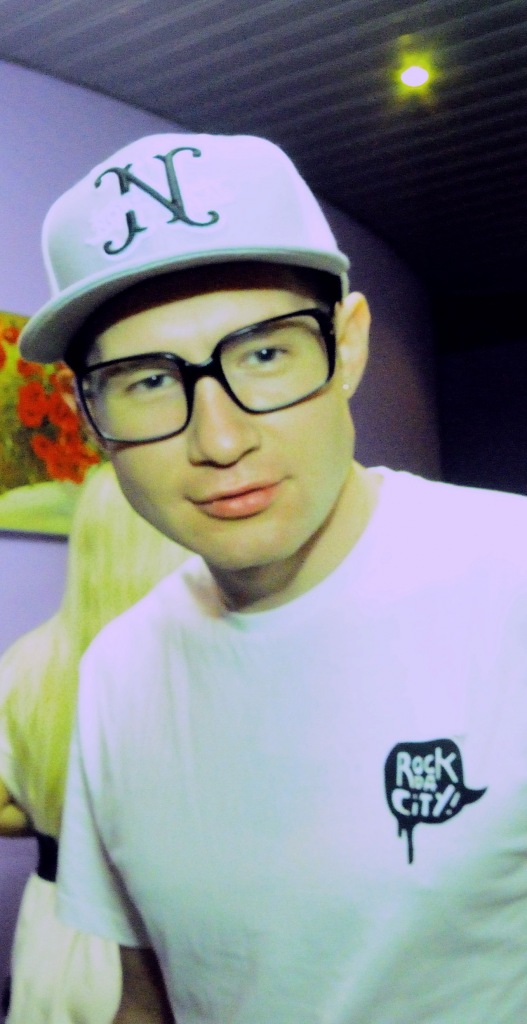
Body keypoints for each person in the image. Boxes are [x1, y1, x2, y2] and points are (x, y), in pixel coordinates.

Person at [19, 132, 527, 1023]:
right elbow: (146, 1000)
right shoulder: (118, 671)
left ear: (349, 346)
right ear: (88, 418)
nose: (219, 440)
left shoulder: (509, 575)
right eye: (146, 381)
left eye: (263, 355)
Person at [0, 462, 188, 1023]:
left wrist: (52, 810)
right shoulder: (197, 659)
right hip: (167, 937)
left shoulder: (27, 661)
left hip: (57, 935)